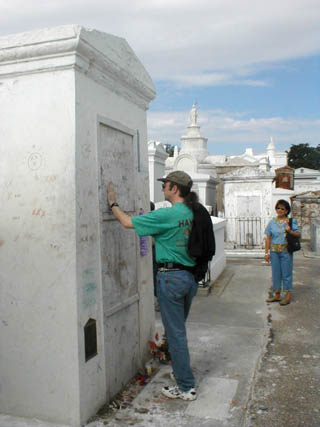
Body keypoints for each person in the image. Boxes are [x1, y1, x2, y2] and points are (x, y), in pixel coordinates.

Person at [107, 171, 198, 401]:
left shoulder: (167, 214)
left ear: (175, 188)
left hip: (171, 278)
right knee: (176, 332)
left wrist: (113, 203)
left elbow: (127, 222)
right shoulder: (192, 212)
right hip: (189, 277)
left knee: (176, 335)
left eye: (165, 184)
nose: (163, 188)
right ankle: (182, 374)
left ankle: (186, 386)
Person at [264, 199, 301, 305]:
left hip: (286, 252)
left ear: (286, 211)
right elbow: (268, 238)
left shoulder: (291, 221)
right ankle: (277, 295)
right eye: (278, 208)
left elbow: (298, 235)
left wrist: (290, 231)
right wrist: (266, 253)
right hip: (274, 252)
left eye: (282, 208)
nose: (279, 210)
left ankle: (288, 295)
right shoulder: (272, 222)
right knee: (276, 273)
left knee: (287, 273)